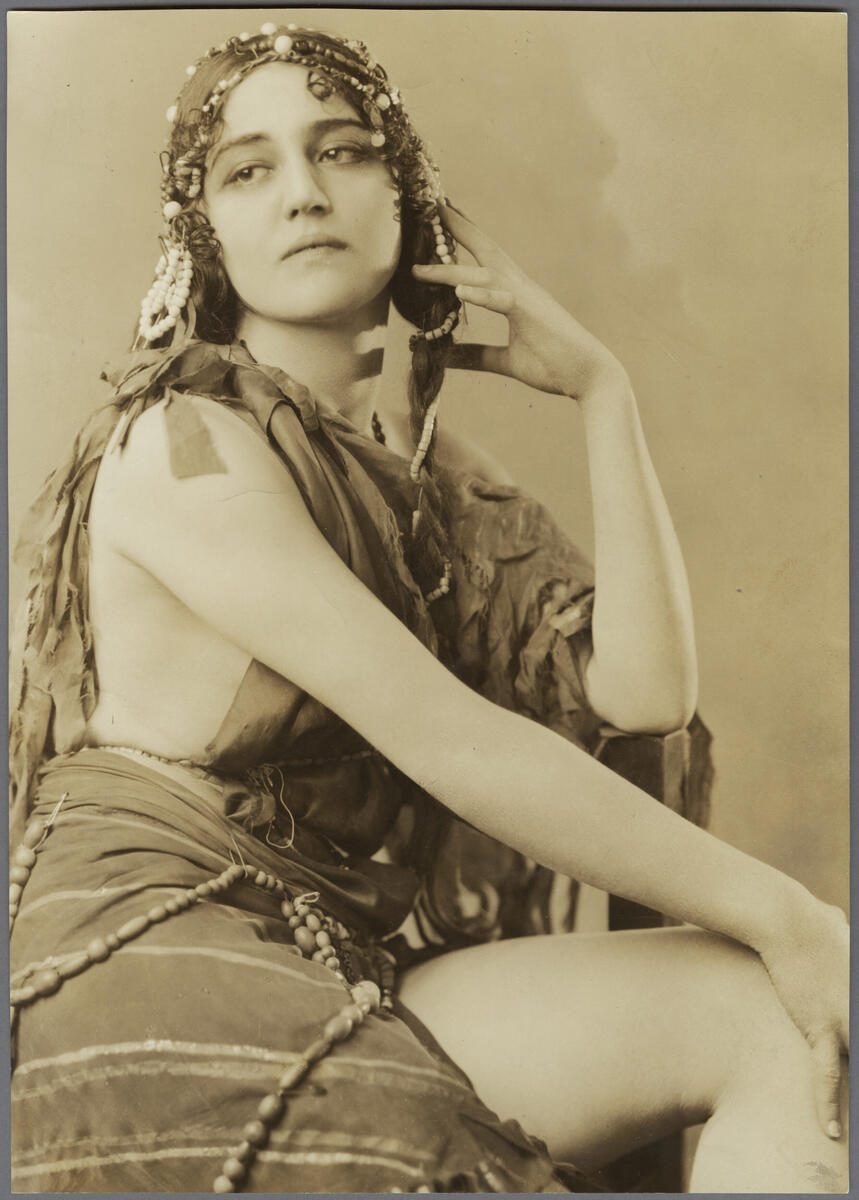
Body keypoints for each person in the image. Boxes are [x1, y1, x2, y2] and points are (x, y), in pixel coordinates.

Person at [9, 22, 848, 1195]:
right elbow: (454, 741)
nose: (303, 193)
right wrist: (793, 915)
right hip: (154, 957)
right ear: (204, 235)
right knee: (795, 965)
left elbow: (645, 694)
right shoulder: (185, 445)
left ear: (412, 197)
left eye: (342, 151)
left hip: (327, 953)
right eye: (247, 170)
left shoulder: (419, 476)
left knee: (781, 1016)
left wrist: (605, 392)